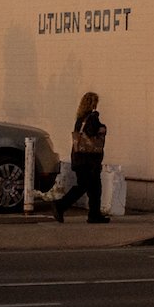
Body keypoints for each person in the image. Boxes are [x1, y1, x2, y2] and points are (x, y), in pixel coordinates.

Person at [53, 91, 109, 223]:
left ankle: (94, 214)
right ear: (93, 104)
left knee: (94, 187)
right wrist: (102, 127)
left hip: (79, 159)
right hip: (89, 161)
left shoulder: (79, 119)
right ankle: (61, 205)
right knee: (86, 186)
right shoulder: (92, 118)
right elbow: (92, 132)